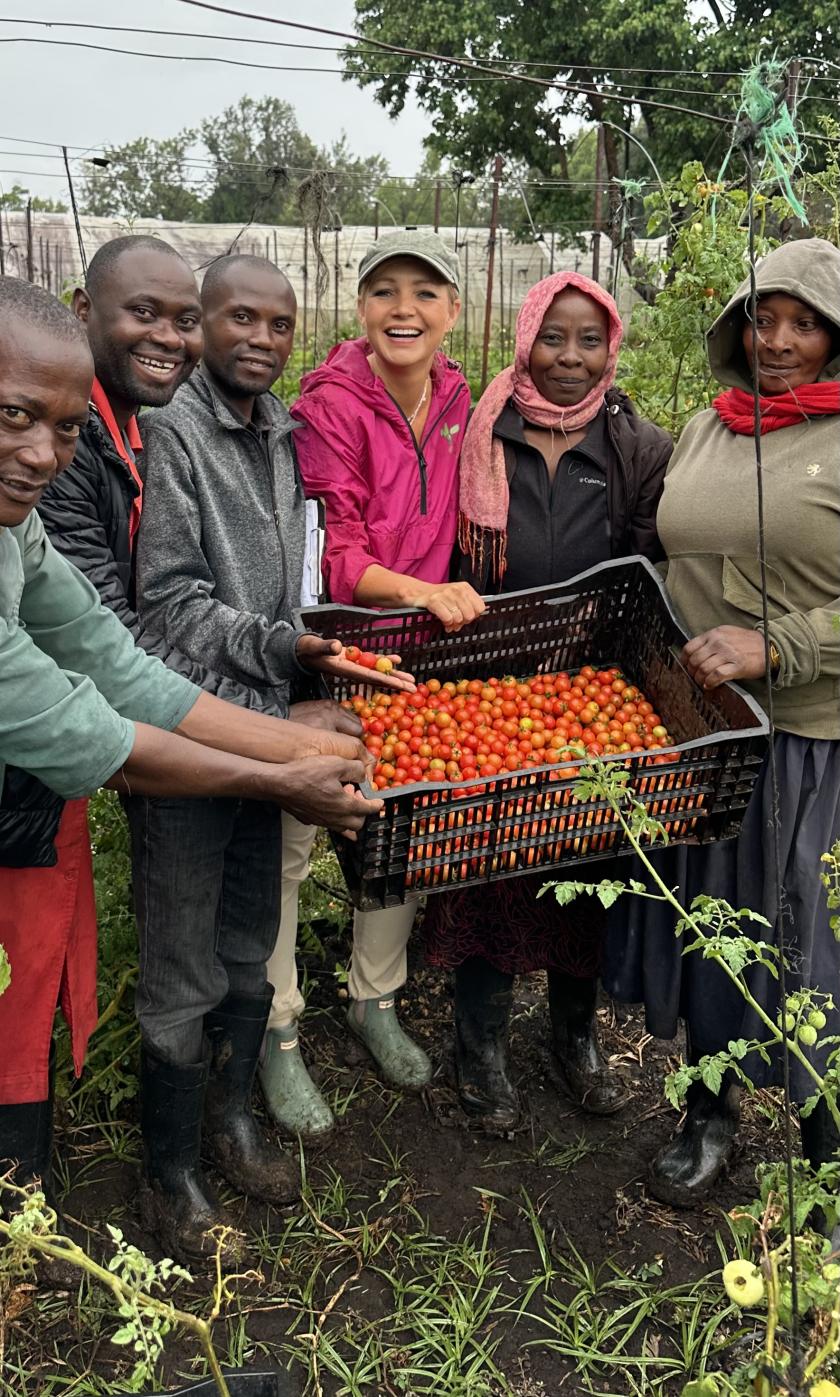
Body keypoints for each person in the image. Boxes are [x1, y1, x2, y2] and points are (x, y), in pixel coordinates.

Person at [0, 276, 382, 1269]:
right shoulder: (172, 436)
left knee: (241, 945)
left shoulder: (19, 525)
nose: (41, 452)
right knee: (166, 966)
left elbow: (114, 665)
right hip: (128, 770)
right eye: (13, 418)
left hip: (220, 722)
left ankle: (200, 1135)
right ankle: (151, 1179)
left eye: (62, 427)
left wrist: (297, 743)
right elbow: (98, 726)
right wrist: (282, 766)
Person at [134, 254, 410, 1158]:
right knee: (182, 954)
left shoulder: (279, 432)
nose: (261, 339)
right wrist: (283, 648)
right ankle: (173, 1169)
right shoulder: (172, 429)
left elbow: (286, 584)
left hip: (272, 724)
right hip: (186, 725)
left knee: (249, 935)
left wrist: (298, 672)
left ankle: (234, 1119)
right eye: (239, 318)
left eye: (279, 324)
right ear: (200, 326)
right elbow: (171, 600)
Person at [603, 237, 840, 1206]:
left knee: (812, 935)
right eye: (762, 317)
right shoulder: (707, 427)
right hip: (705, 730)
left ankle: (829, 1146)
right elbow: (668, 555)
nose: (778, 340)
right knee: (708, 915)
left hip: (815, 735)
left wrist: (779, 643)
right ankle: (711, 1112)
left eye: (804, 322)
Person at [422, 271, 672, 1131]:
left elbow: (645, 575)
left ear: (611, 346)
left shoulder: (635, 446)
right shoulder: (480, 429)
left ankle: (575, 1037)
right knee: (493, 866)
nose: (568, 358)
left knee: (589, 868)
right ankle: (480, 1047)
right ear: (526, 336)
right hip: (490, 689)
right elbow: (443, 559)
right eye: (552, 337)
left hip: (592, 698)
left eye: (588, 339)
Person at [287, 230, 481, 1103]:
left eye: (425, 293)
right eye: (385, 292)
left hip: (409, 657)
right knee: (293, 836)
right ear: (359, 309)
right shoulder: (326, 404)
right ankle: (277, 1024)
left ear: (453, 312)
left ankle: (375, 1000)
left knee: (397, 830)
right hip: (327, 652)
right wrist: (426, 591)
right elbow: (334, 555)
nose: (405, 309)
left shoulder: (457, 397)